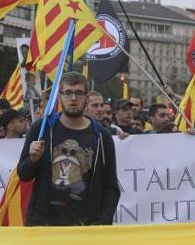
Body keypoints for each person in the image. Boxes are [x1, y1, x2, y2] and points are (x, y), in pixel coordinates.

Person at [17, 71, 120, 226]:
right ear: (60, 96)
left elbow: (111, 187)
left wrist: (103, 222)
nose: (73, 98)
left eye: (79, 93)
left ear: (86, 98)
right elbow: (23, 175)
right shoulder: (42, 129)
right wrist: (33, 160)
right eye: (68, 93)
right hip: (44, 226)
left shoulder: (101, 136)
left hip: (85, 228)